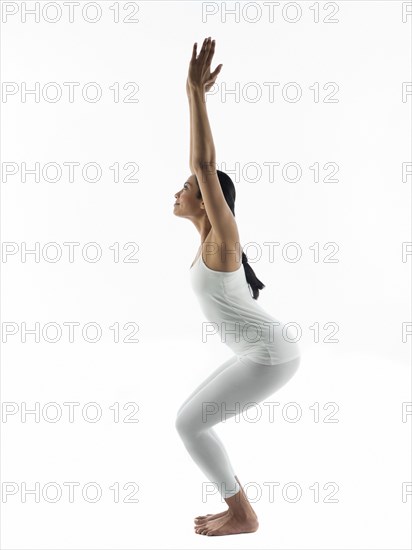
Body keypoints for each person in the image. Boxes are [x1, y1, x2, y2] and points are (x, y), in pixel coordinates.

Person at [173, 37, 301, 537]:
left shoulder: (224, 242)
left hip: (271, 355)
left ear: (208, 201)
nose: (179, 190)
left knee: (188, 425)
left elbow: (205, 166)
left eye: (186, 187)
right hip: (263, 351)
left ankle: (243, 515)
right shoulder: (209, 245)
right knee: (189, 419)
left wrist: (194, 95)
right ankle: (240, 509)